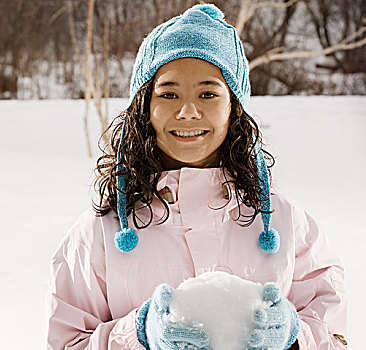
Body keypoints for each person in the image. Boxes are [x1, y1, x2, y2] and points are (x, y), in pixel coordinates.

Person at [45, 4, 347, 349]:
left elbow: (334, 336)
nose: (188, 111)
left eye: (208, 93)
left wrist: (296, 335)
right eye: (169, 94)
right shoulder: (99, 234)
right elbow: (66, 342)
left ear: (234, 106)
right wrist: (139, 334)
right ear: (144, 106)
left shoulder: (288, 224)